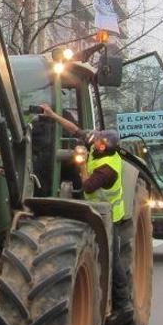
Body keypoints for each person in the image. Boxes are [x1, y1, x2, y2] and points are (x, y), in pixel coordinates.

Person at [40, 103, 127, 312]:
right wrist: (53, 115)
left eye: (98, 141)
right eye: (95, 139)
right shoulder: (97, 147)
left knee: (113, 261)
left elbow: (87, 184)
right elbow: (75, 129)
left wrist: (81, 164)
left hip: (110, 215)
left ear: (104, 147)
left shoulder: (108, 169)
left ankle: (123, 304)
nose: (94, 142)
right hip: (93, 206)